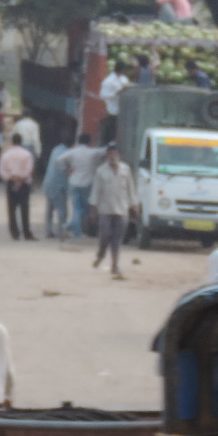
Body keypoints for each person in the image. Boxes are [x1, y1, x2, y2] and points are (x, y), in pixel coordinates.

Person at [90, 143, 138, 279]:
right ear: (106, 156)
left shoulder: (125, 169)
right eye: (109, 154)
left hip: (122, 209)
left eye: (114, 154)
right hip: (105, 209)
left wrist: (134, 206)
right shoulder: (101, 171)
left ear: (119, 156)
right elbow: (96, 190)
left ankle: (115, 265)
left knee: (117, 239)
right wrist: (93, 208)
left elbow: (131, 189)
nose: (112, 156)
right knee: (105, 235)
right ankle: (101, 254)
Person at [0, 133, 37, 240]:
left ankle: (14, 233)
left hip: (11, 182)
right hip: (24, 183)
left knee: (11, 209)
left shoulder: (6, 155)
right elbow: (29, 170)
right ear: (21, 142)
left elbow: (2, 171)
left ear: (12, 142)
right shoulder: (27, 154)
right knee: (24, 208)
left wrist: (12, 178)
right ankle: (26, 233)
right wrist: (21, 179)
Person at [64, 133, 101, 239]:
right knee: (84, 208)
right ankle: (73, 228)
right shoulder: (91, 152)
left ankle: (73, 228)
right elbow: (104, 151)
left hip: (73, 182)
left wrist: (66, 169)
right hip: (86, 183)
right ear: (89, 142)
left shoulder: (72, 151)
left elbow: (59, 159)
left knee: (76, 207)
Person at [42, 138, 72, 239]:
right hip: (59, 185)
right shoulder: (67, 153)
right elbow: (64, 168)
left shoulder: (56, 149)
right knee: (62, 211)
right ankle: (61, 232)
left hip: (48, 182)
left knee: (49, 210)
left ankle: (48, 231)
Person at [100, 65, 130, 144]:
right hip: (113, 111)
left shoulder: (124, 79)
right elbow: (103, 95)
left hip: (124, 111)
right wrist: (117, 93)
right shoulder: (108, 81)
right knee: (112, 132)